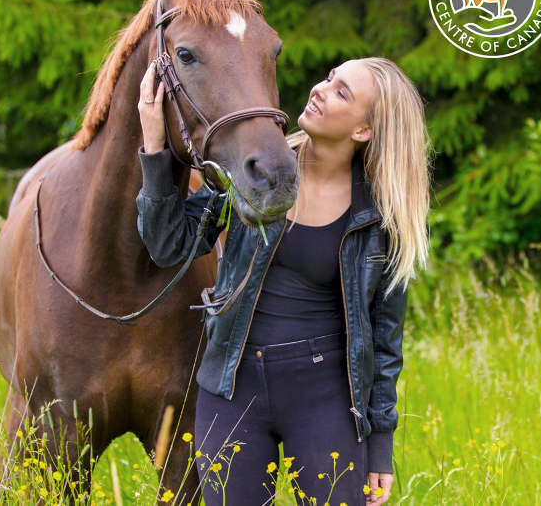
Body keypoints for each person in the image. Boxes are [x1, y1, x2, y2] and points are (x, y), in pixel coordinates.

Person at [135, 57, 431, 506]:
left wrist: (380, 448)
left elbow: (385, 341)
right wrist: (155, 147)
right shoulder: (252, 171)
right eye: (330, 77)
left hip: (324, 395)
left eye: (341, 93)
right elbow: (169, 246)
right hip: (232, 386)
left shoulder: (379, 217)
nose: (320, 89)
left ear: (363, 131)